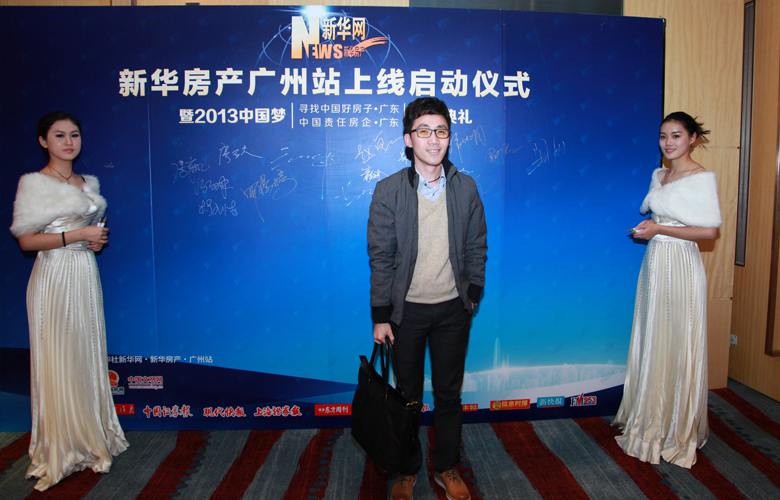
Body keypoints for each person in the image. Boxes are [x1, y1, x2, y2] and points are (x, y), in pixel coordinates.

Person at [367, 97, 487, 500]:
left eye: (441, 131)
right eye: (424, 131)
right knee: (408, 398)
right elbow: (381, 256)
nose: (433, 140)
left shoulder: (465, 187)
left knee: (449, 396)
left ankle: (446, 466)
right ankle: (406, 470)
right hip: (407, 314)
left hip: (453, 310)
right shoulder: (389, 190)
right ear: (408, 139)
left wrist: (472, 293)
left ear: (449, 137)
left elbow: (476, 244)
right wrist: (381, 315)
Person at [10, 111, 128, 491]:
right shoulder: (34, 184)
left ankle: (91, 436)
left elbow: (90, 235)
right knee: (57, 356)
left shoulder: (87, 183)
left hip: (84, 273)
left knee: (84, 354)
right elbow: (27, 240)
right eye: (59, 135)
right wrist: (77, 235)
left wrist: (94, 241)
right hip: (53, 276)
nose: (68, 142)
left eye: (74, 134)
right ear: (43, 140)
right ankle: (60, 446)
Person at [613, 111, 721, 468]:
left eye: (676, 135)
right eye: (663, 136)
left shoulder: (700, 178)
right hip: (656, 263)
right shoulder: (659, 174)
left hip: (681, 264)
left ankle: (675, 428)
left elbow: (709, 232)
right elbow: (660, 218)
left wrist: (660, 230)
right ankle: (649, 417)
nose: (668, 142)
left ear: (692, 138)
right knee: (653, 337)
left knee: (677, 337)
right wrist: (652, 228)